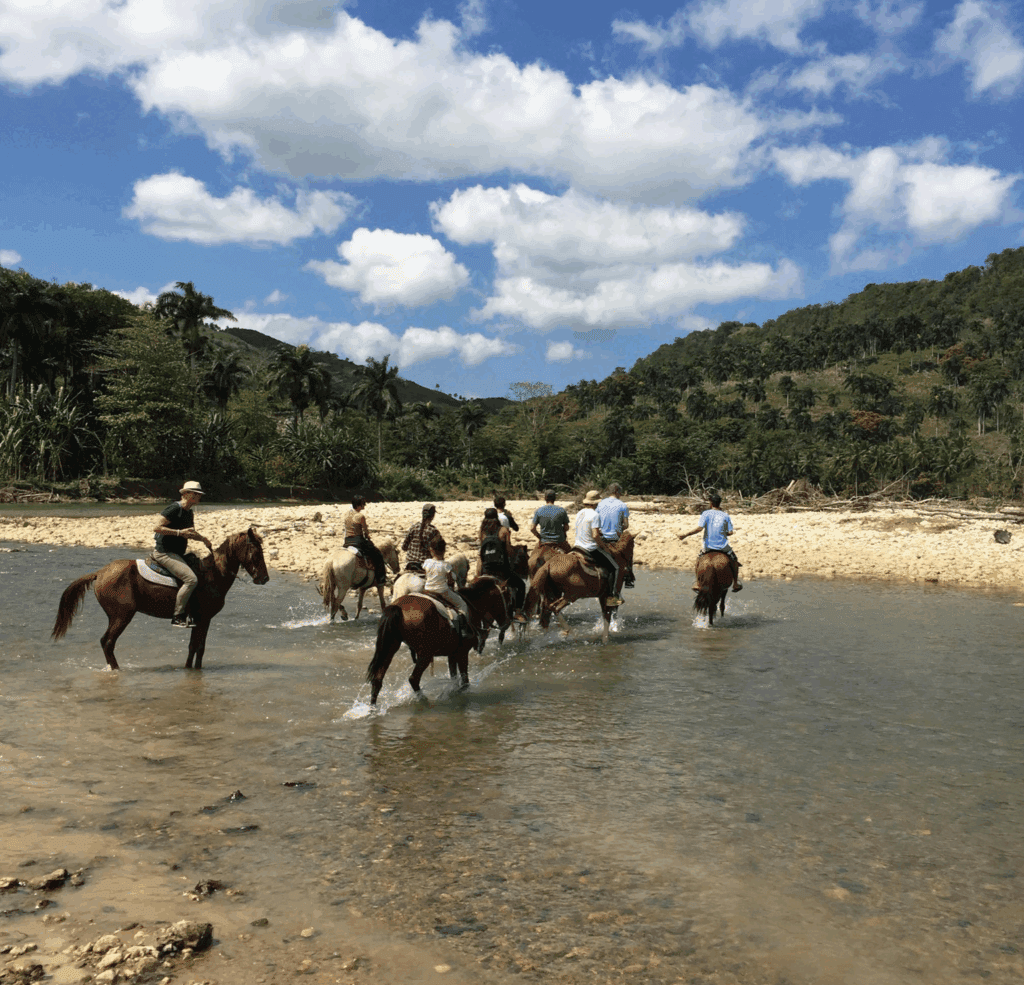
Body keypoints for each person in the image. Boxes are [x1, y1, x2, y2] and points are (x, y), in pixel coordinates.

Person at [151, 480, 213, 628]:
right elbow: (156, 527)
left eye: (199, 494)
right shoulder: (174, 508)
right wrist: (179, 533)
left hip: (178, 553)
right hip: (164, 553)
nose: (199, 497)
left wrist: (203, 539)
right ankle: (177, 616)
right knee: (191, 579)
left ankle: (192, 610)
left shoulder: (189, 512)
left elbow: (189, 533)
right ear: (186, 494)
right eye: (196, 494)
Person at [679, 491, 742, 592]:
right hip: (723, 546)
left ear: (711, 503)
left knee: (699, 560)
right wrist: (724, 533)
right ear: (719, 503)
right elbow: (730, 532)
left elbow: (699, 528)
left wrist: (685, 535)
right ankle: (735, 583)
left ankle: (698, 583)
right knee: (734, 559)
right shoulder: (725, 516)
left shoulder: (706, 514)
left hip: (708, 546)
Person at [422, 533, 476, 641]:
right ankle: (464, 630)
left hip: (427, 590)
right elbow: (451, 580)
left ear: (431, 550)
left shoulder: (427, 562)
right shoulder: (446, 565)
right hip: (442, 591)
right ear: (444, 550)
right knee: (462, 605)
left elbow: (426, 574)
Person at [572, 489, 622, 606]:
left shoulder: (580, 513)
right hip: (589, 548)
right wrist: (603, 545)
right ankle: (612, 596)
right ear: (595, 503)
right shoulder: (595, 515)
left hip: (577, 546)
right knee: (615, 567)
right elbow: (595, 536)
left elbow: (586, 529)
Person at [478, 508, 527, 622]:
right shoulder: (503, 530)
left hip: (486, 568)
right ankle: (518, 612)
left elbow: (482, 549)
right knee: (521, 585)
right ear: (497, 517)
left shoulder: (482, 532)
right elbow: (508, 551)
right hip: (501, 569)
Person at [595, 482, 634, 589]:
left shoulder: (600, 504)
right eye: (620, 492)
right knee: (630, 545)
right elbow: (626, 525)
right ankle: (629, 577)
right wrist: (619, 526)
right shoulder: (622, 505)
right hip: (614, 538)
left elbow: (596, 521)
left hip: (601, 538)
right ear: (617, 492)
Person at [342, 496, 387, 586]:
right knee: (378, 554)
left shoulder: (346, 514)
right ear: (359, 505)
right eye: (363, 504)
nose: (364, 506)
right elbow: (365, 532)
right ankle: (381, 578)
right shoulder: (360, 516)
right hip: (358, 541)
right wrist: (369, 537)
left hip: (347, 541)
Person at [401, 503, 439, 572]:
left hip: (409, 564)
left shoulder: (414, 527)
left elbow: (404, 547)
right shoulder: (433, 531)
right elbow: (437, 553)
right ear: (433, 516)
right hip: (424, 565)